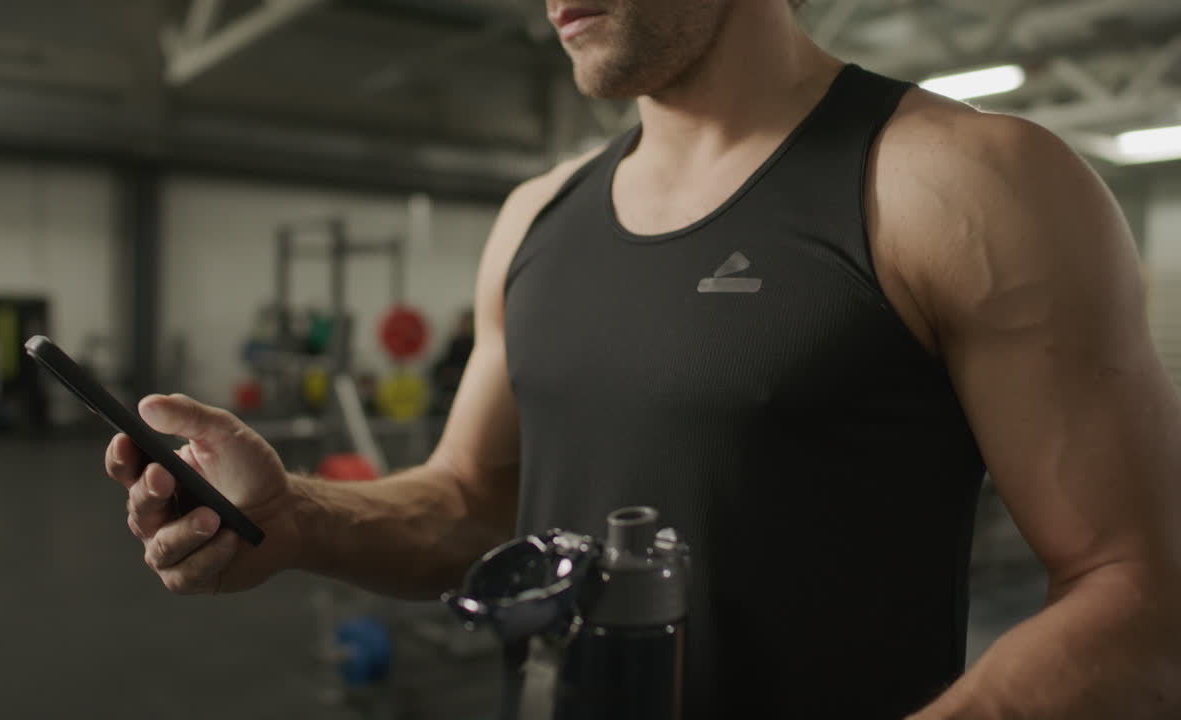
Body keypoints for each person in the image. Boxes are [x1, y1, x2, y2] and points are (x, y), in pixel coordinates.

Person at [105, 1, 1181, 717]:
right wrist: (296, 520)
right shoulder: (535, 218)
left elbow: (1137, 598)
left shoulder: (963, 183)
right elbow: (475, 500)